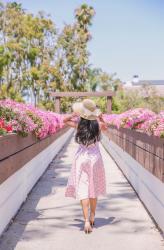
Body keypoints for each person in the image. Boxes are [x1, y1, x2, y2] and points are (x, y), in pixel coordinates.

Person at [63, 99, 108, 234]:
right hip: (95, 159)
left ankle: (86, 221)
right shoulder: (98, 125)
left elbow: (64, 121)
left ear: (82, 114)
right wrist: (100, 117)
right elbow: (106, 126)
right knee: (93, 188)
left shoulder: (79, 126)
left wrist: (74, 114)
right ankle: (93, 216)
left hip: (81, 159)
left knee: (83, 189)